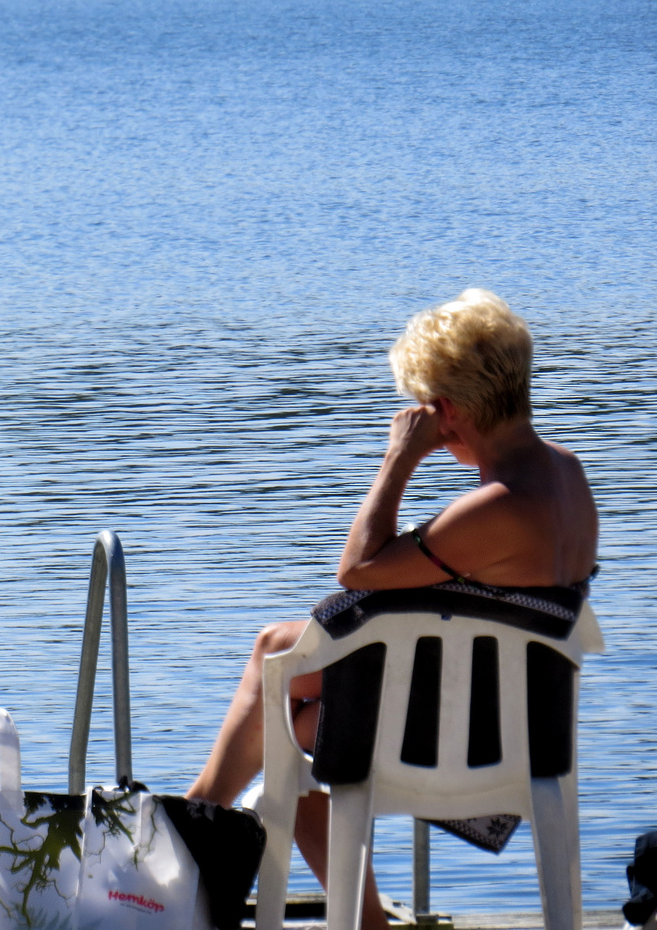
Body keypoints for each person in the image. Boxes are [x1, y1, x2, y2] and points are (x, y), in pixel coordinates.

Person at [185, 289, 598, 930]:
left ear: (448, 410)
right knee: (285, 680)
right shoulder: (566, 475)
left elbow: (357, 569)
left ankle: (195, 823)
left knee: (282, 694)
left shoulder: (499, 505)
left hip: (462, 743)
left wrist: (399, 460)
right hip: (523, 726)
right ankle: (210, 823)